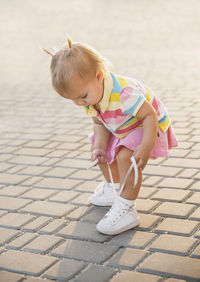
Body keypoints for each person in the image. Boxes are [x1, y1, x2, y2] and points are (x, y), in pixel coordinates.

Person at [43, 38, 178, 235]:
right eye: (73, 100)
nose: (80, 103)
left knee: (126, 157)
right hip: (124, 125)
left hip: (147, 124)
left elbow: (150, 115)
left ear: (99, 76)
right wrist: (99, 147)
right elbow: (100, 123)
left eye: (82, 96)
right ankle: (115, 189)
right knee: (103, 152)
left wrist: (146, 145)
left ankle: (126, 207)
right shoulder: (89, 99)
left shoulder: (124, 93)